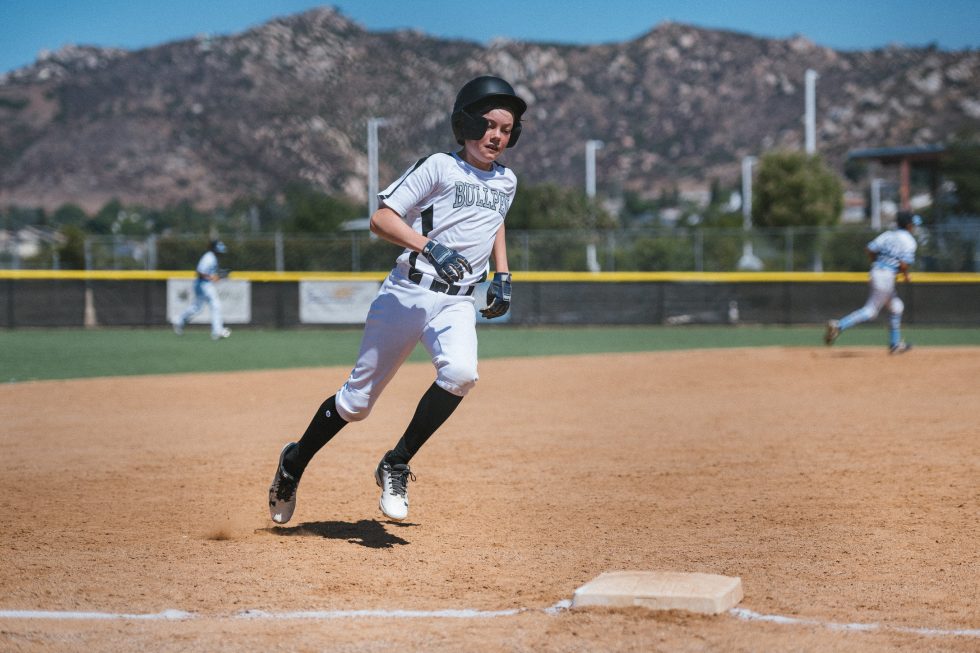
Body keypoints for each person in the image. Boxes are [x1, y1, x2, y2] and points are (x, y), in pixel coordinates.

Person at [268, 75, 525, 523]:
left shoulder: (506, 181)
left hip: (459, 301)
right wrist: (427, 246)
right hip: (408, 292)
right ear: (464, 124)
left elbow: (495, 219)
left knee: (461, 374)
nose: (496, 135)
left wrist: (502, 273)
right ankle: (294, 462)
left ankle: (397, 461)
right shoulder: (439, 167)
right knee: (356, 404)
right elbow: (381, 219)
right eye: (487, 124)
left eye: (505, 129)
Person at [824, 212, 922, 353]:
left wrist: (876, 263)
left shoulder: (888, 235)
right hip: (887, 277)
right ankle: (839, 325)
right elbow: (903, 264)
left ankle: (894, 344)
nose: (914, 227)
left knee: (896, 307)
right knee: (870, 311)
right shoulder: (909, 241)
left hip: (876, 271)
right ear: (908, 225)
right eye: (913, 225)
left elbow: (869, 248)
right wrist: (906, 276)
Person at [173, 239, 231, 340]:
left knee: (197, 308)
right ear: (214, 249)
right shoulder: (209, 257)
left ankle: (179, 320)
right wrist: (213, 277)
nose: (221, 253)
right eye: (219, 250)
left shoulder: (212, 257)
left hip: (203, 284)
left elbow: (209, 274)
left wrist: (217, 276)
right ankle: (217, 331)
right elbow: (200, 272)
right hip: (203, 284)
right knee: (215, 304)